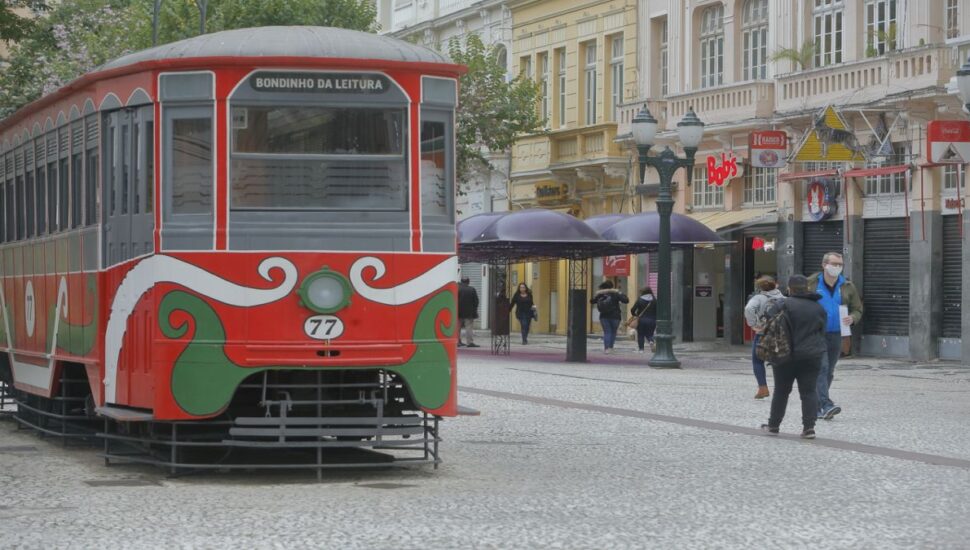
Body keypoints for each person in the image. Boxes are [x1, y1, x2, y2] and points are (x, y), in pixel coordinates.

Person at [760, 274, 828, 439]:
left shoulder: (782, 304)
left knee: (781, 391)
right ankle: (809, 428)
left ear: (790, 289)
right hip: (812, 355)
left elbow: (768, 321)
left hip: (785, 354)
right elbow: (822, 331)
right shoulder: (818, 307)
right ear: (807, 288)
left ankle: (773, 425)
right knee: (809, 391)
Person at [807, 252, 863, 421]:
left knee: (829, 371)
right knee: (822, 368)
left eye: (840, 265)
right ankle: (826, 404)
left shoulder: (847, 285)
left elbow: (857, 308)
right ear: (824, 265)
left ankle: (817, 407)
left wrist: (853, 317)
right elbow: (798, 303)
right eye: (834, 264)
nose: (837, 267)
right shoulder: (811, 283)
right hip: (816, 333)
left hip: (837, 333)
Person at [744, 275, 785, 399]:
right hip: (780, 335)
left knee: (758, 361)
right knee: (779, 362)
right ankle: (781, 389)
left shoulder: (758, 298)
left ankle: (763, 388)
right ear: (776, 285)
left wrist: (753, 324)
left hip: (763, 333)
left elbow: (749, 308)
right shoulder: (784, 298)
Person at [590, 280, 629, 354]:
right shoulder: (615, 293)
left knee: (607, 332)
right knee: (613, 332)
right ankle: (610, 348)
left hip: (604, 316)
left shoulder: (601, 294)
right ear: (612, 286)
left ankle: (606, 349)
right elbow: (626, 300)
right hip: (615, 316)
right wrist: (619, 292)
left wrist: (598, 294)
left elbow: (592, 301)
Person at [629, 286, 657, 354]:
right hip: (652, 320)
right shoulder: (654, 300)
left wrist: (635, 315)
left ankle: (641, 349)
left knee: (641, 334)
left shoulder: (640, 299)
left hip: (641, 320)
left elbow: (633, 309)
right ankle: (651, 341)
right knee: (650, 334)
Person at [457, 277, 480, 348]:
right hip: (469, 312)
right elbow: (476, 301)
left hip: (458, 311)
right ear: (468, 282)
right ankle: (469, 342)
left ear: (461, 281)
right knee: (469, 327)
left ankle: (457, 341)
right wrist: (474, 309)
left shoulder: (457, 289)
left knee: (457, 327)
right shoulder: (472, 289)